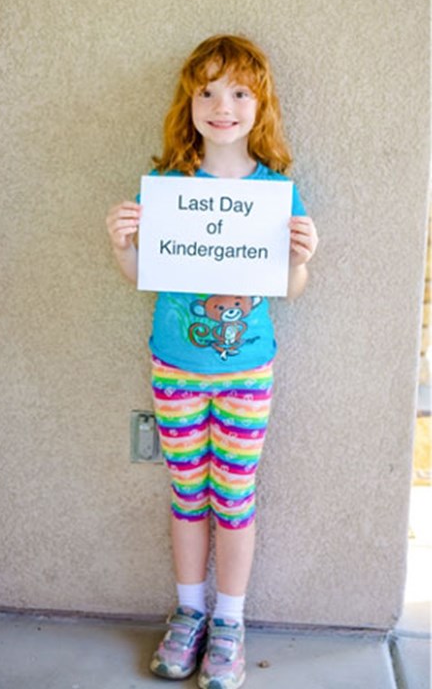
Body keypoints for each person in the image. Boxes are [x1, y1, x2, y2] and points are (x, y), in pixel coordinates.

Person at [105, 35, 318, 689]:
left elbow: (290, 286)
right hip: (174, 365)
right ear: (188, 103)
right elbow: (143, 273)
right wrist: (120, 244)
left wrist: (302, 257)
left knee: (234, 495)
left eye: (238, 92)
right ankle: (190, 612)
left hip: (247, 371)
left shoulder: (278, 193)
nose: (221, 105)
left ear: (261, 105)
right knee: (186, 493)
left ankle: (229, 620)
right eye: (206, 91)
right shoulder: (169, 187)